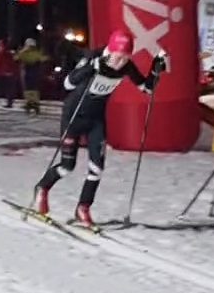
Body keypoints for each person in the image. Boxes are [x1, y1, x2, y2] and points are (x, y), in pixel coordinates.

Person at [34, 28, 168, 226]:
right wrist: (91, 67)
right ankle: (42, 188)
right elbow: (68, 83)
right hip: (74, 115)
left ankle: (83, 208)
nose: (120, 62)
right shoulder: (93, 57)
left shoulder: (126, 66)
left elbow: (146, 88)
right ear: (110, 50)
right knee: (67, 166)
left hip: (96, 119)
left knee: (97, 168)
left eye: (125, 58)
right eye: (118, 57)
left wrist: (156, 69)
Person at [16, 37, 48, 114]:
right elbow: (43, 59)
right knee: (33, 88)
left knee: (28, 88)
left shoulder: (24, 52)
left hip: (27, 71)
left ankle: (30, 103)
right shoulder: (36, 53)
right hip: (34, 72)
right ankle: (34, 103)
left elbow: (16, 58)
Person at [0, 39, 17, 107]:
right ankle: (9, 102)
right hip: (9, 72)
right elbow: (13, 62)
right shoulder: (9, 52)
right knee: (9, 89)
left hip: (0, 73)